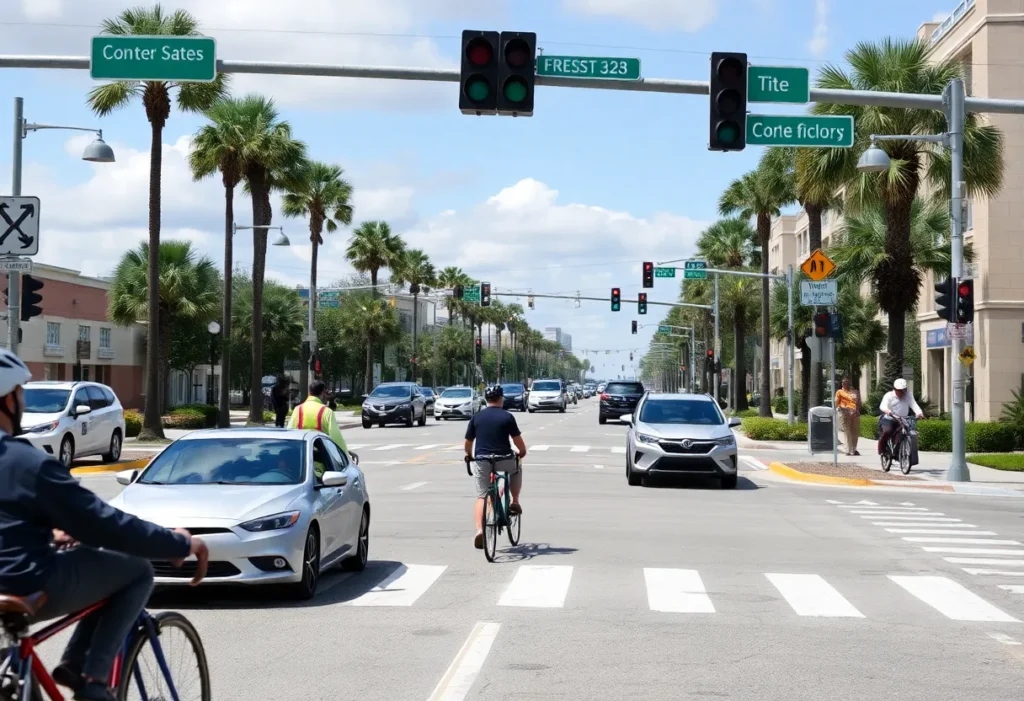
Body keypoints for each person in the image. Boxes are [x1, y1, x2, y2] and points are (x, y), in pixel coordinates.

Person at [0, 349, 209, 701]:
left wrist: (48, 532)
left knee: (15, 670)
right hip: (27, 580)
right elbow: (102, 523)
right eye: (21, 391)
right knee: (137, 571)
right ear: (8, 399)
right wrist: (179, 544)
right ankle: (91, 679)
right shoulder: (29, 463)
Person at [464, 385, 528, 550]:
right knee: (517, 467)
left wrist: (469, 456)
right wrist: (521, 453)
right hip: (504, 460)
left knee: (481, 496)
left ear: (486, 399)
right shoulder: (507, 417)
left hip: (482, 460)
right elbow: (518, 443)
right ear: (501, 398)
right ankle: (514, 501)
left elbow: (468, 443)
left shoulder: (476, 417)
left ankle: (480, 530)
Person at [286, 379, 350, 477]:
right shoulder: (326, 412)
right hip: (320, 459)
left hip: (300, 458)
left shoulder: (298, 410)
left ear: (309, 392)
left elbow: (289, 434)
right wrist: (345, 455)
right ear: (322, 393)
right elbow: (336, 438)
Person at [877, 378, 924, 455]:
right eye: (900, 390)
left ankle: (899, 452)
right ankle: (882, 450)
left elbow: (913, 404)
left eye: (904, 390)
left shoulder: (908, 395)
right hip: (890, 418)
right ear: (895, 389)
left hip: (903, 419)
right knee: (888, 431)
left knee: (905, 433)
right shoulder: (889, 395)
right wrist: (887, 410)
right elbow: (883, 405)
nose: (902, 392)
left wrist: (919, 413)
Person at [835, 376, 862, 456]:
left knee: (855, 432)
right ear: (842, 384)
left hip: (855, 414)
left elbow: (859, 403)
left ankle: (854, 449)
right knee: (847, 431)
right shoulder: (839, 392)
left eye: (847, 382)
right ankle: (848, 449)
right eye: (844, 383)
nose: (846, 384)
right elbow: (836, 403)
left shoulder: (855, 392)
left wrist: (856, 410)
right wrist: (842, 409)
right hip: (844, 413)